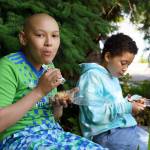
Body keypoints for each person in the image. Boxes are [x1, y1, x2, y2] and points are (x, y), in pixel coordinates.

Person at [0, 13, 107, 150]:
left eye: (54, 36)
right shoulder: (8, 67)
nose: (49, 42)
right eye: (40, 35)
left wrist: (58, 104)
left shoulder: (49, 68)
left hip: (52, 134)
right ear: (23, 38)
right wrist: (39, 91)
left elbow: (55, 117)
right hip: (18, 138)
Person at [76, 33, 149, 150]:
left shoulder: (112, 76)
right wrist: (127, 107)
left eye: (128, 65)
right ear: (108, 57)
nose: (125, 68)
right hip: (104, 134)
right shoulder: (92, 76)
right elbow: (94, 115)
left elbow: (115, 105)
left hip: (120, 129)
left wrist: (131, 101)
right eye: (123, 63)